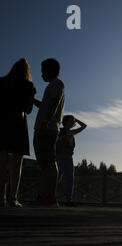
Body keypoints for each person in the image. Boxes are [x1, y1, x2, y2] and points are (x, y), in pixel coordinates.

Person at [0, 58, 36, 207]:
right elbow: (28, 110)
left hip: (1, 123)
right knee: (16, 164)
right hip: (18, 124)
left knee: (1, 163)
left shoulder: (1, 82)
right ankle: (13, 198)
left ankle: (0, 198)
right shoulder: (29, 86)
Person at [29, 58, 65, 207]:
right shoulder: (52, 86)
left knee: (48, 162)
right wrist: (32, 100)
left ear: (50, 71)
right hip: (47, 127)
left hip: (47, 128)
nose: (42, 74)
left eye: (43, 71)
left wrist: (45, 122)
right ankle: (46, 196)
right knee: (45, 163)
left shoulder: (56, 84)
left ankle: (49, 196)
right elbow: (46, 105)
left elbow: (54, 104)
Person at [56, 115, 87, 206]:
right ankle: (50, 196)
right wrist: (65, 138)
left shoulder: (72, 132)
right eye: (71, 121)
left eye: (73, 121)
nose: (73, 122)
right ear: (66, 122)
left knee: (70, 179)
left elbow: (84, 126)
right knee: (57, 178)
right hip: (59, 156)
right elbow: (56, 140)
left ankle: (68, 200)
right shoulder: (59, 131)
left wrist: (75, 119)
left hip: (69, 157)